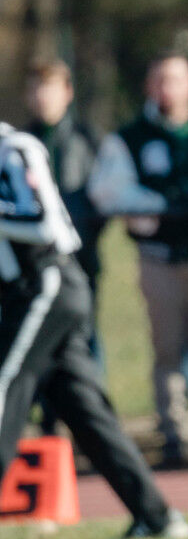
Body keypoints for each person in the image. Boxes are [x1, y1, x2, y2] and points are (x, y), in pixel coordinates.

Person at [0, 122, 188, 539]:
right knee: (85, 410)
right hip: (20, 294)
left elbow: (45, 223)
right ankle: (156, 516)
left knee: (5, 383)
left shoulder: (14, 148)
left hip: (45, 282)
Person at [89, 53, 188, 469]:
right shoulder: (129, 138)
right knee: (166, 350)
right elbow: (107, 191)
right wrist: (161, 205)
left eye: (176, 80)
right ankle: (173, 433)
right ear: (149, 86)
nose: (168, 88)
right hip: (158, 257)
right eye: (160, 80)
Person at [23, 60, 106, 435]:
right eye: (37, 88)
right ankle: (42, 424)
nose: (44, 97)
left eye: (51, 87)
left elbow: (101, 198)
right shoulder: (19, 145)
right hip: (32, 270)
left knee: (83, 343)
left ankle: (90, 428)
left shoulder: (88, 140)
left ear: (67, 92)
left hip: (79, 264)